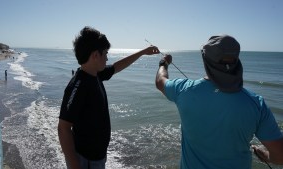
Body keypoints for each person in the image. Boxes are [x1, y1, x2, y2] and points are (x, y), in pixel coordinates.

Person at [155, 34, 283, 169]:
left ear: (205, 60)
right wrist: (266, 155)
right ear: (236, 60)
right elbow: (280, 157)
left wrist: (164, 63)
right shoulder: (256, 103)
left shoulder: (183, 90)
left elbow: (160, 81)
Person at [58, 26, 160, 169]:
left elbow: (117, 67)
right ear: (95, 55)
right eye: (105, 53)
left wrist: (143, 52)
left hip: (98, 157)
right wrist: (74, 165)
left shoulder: (95, 74)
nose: (107, 57)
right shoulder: (78, 85)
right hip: (85, 160)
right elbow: (63, 128)